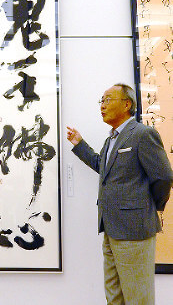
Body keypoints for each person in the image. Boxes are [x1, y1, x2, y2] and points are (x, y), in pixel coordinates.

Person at [67, 83, 173, 305]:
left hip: (135, 229)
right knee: (114, 294)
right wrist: (80, 144)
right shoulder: (111, 139)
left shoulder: (143, 134)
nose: (102, 106)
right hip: (110, 227)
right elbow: (101, 166)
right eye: (101, 101)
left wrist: (149, 206)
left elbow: (163, 176)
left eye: (107, 100)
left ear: (127, 104)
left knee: (137, 297)